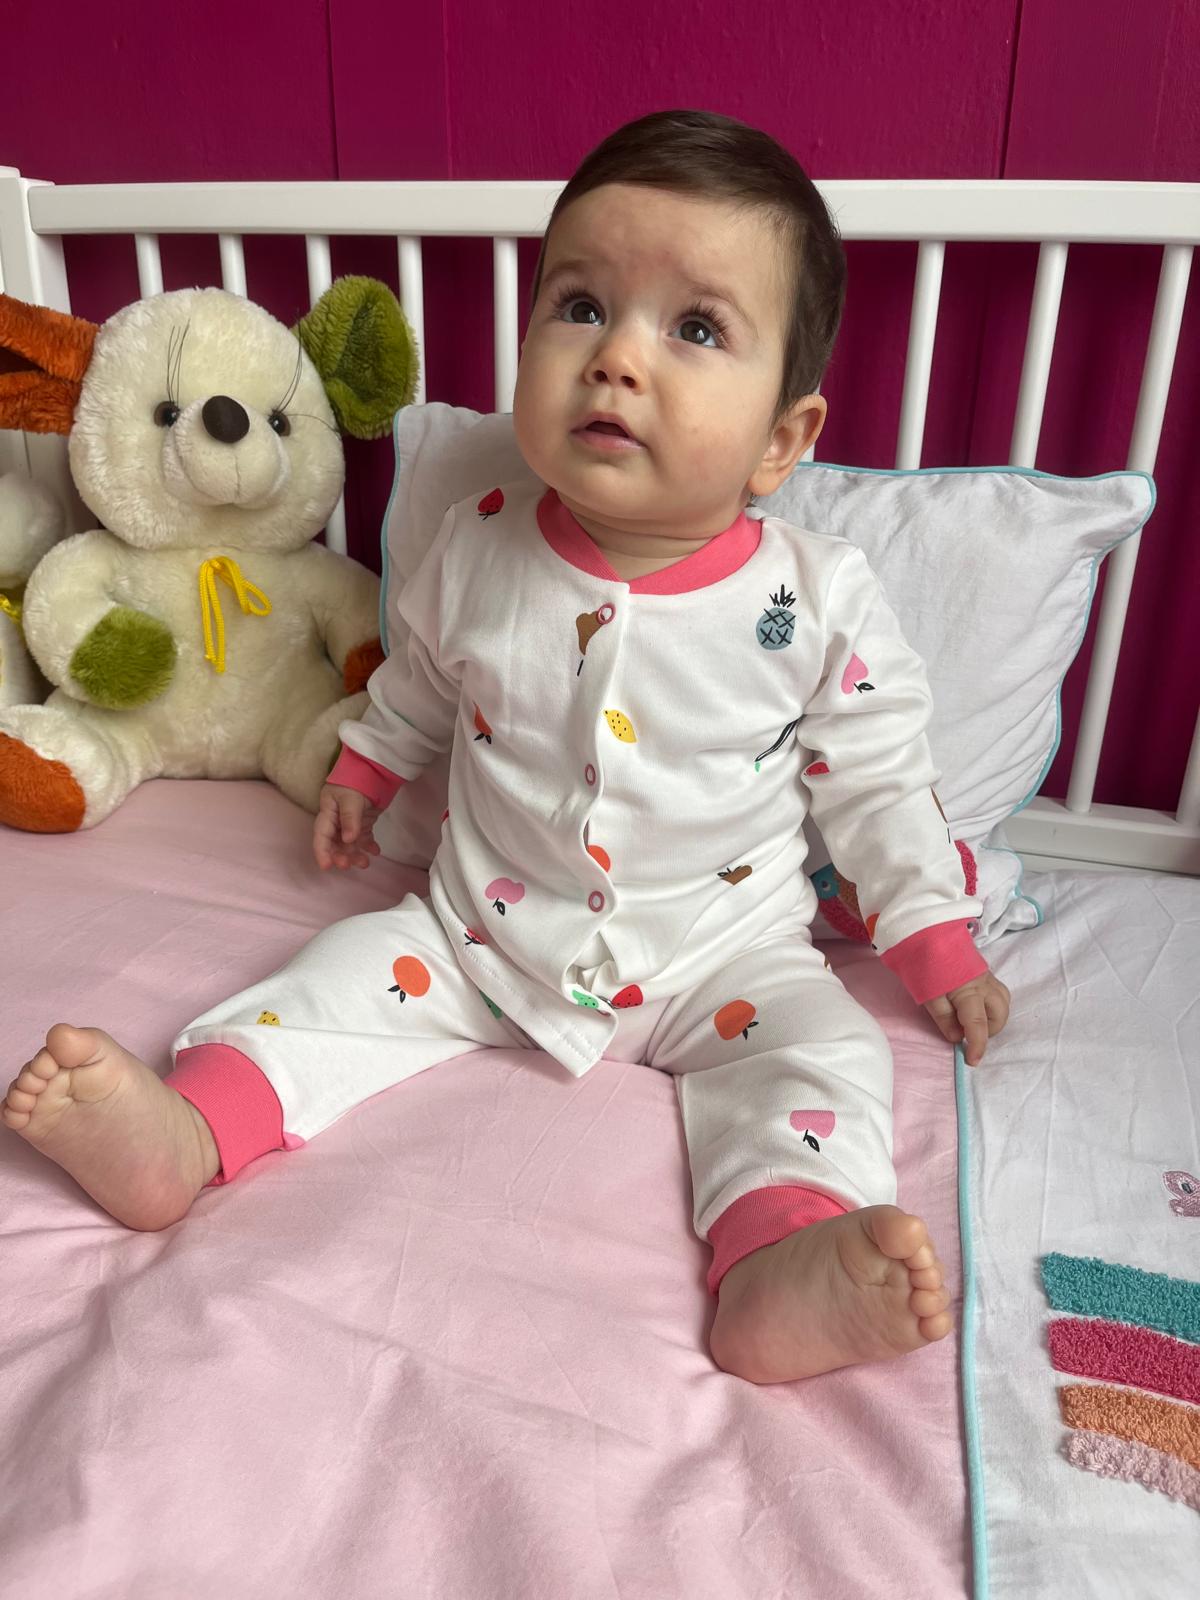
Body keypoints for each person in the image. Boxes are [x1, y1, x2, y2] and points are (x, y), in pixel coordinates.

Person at [4, 110, 1010, 1386]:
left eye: (697, 330)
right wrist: (365, 770)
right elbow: (421, 682)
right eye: (581, 307)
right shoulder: (478, 542)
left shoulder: (819, 598)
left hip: (727, 954)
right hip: (476, 936)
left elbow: (878, 780)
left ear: (782, 440)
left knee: (823, 1058)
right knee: (327, 982)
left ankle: (780, 1250)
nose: (617, 360)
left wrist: (932, 935)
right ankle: (192, 1124)